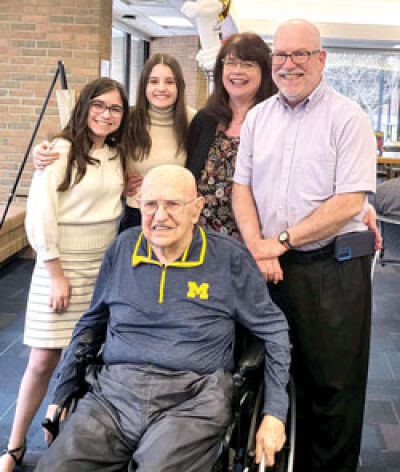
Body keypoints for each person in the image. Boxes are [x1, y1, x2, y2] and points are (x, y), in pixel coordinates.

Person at [35, 165, 291, 472]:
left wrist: (275, 412)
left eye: (172, 204)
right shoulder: (122, 248)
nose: (160, 216)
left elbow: (274, 329)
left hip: (193, 399)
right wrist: (61, 393)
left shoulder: (228, 259)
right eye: (150, 204)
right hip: (113, 396)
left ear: (197, 209)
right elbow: (91, 324)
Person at [232, 19, 376, 472]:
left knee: (330, 388)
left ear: (321, 59)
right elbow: (242, 188)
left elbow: (351, 200)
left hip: (330, 272)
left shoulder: (348, 117)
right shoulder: (258, 118)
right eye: (281, 55)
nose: (289, 64)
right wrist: (257, 247)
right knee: (264, 375)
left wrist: (280, 241)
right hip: (267, 268)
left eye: (300, 54)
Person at [0, 78, 129, 472]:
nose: (106, 114)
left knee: (86, 360)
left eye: (116, 109)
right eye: (100, 105)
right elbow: (40, 215)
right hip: (60, 264)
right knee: (42, 359)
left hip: (101, 267)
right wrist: (55, 272)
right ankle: (15, 446)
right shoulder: (59, 151)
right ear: (85, 105)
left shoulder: (116, 154)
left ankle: (67, 445)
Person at [33, 53, 196, 232]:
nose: (161, 88)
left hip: (177, 217)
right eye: (154, 81)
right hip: (136, 215)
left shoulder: (194, 121)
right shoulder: (129, 119)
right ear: (143, 85)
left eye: (170, 82)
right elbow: (91, 140)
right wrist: (44, 150)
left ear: (180, 86)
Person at [186, 32, 277, 239]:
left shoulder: (275, 122)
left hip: (255, 244)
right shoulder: (205, 119)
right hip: (202, 241)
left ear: (264, 72)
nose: (237, 71)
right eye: (231, 63)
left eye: (248, 64)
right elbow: (188, 174)